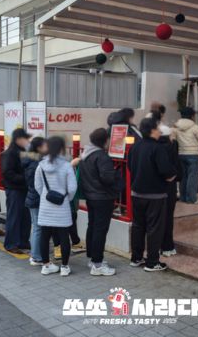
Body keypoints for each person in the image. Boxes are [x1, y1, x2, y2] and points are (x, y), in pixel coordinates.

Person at [127, 118, 177, 272]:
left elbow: (130, 166)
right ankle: (152, 262)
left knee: (138, 226)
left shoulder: (135, 146)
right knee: (154, 228)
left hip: (137, 193)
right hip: (155, 195)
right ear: (152, 130)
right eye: (158, 128)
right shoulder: (158, 148)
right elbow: (167, 172)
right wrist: (172, 176)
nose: (160, 131)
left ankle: (136, 258)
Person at [79, 128, 122, 276]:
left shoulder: (86, 154)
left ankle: (92, 258)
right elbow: (107, 178)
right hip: (103, 197)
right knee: (100, 230)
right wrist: (117, 174)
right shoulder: (102, 156)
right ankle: (97, 264)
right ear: (104, 140)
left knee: (92, 226)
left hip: (91, 196)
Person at [34, 136, 77, 276]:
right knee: (64, 236)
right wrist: (65, 199)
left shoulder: (41, 166)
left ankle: (46, 265)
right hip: (62, 206)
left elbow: (38, 186)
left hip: (46, 206)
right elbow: (72, 188)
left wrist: (46, 197)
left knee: (44, 236)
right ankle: (64, 267)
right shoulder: (67, 166)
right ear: (61, 148)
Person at [154, 112, 181, 257]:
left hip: (154, 188)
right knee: (168, 218)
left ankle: (155, 246)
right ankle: (167, 246)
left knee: (155, 219)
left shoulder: (152, 147)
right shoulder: (172, 147)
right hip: (168, 188)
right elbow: (178, 170)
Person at [1, 128, 32, 254]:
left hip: (24, 189)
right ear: (18, 139)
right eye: (25, 138)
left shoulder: (23, 151)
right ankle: (11, 244)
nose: (27, 141)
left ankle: (23, 241)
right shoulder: (10, 153)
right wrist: (25, 178)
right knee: (14, 217)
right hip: (14, 189)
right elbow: (7, 173)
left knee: (25, 217)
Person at [172, 106, 198, 204]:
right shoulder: (195, 127)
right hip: (193, 154)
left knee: (183, 176)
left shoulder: (175, 127)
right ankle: (191, 198)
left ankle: (183, 197)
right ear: (192, 116)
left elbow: (172, 139)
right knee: (193, 176)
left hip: (180, 153)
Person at [23, 137, 48, 266]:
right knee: (38, 228)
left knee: (36, 227)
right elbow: (37, 184)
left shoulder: (30, 160)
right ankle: (36, 257)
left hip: (32, 197)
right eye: (45, 145)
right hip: (36, 198)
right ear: (39, 148)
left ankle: (35, 254)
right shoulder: (36, 163)